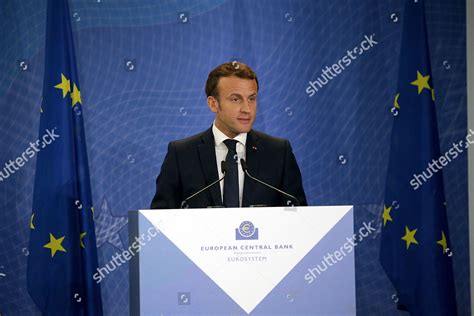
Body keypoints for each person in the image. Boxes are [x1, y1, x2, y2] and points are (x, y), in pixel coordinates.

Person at [150, 62, 307, 209]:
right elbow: (160, 221)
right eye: (236, 99)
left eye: (251, 98)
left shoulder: (279, 153)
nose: (247, 109)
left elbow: (300, 219)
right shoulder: (182, 154)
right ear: (213, 104)